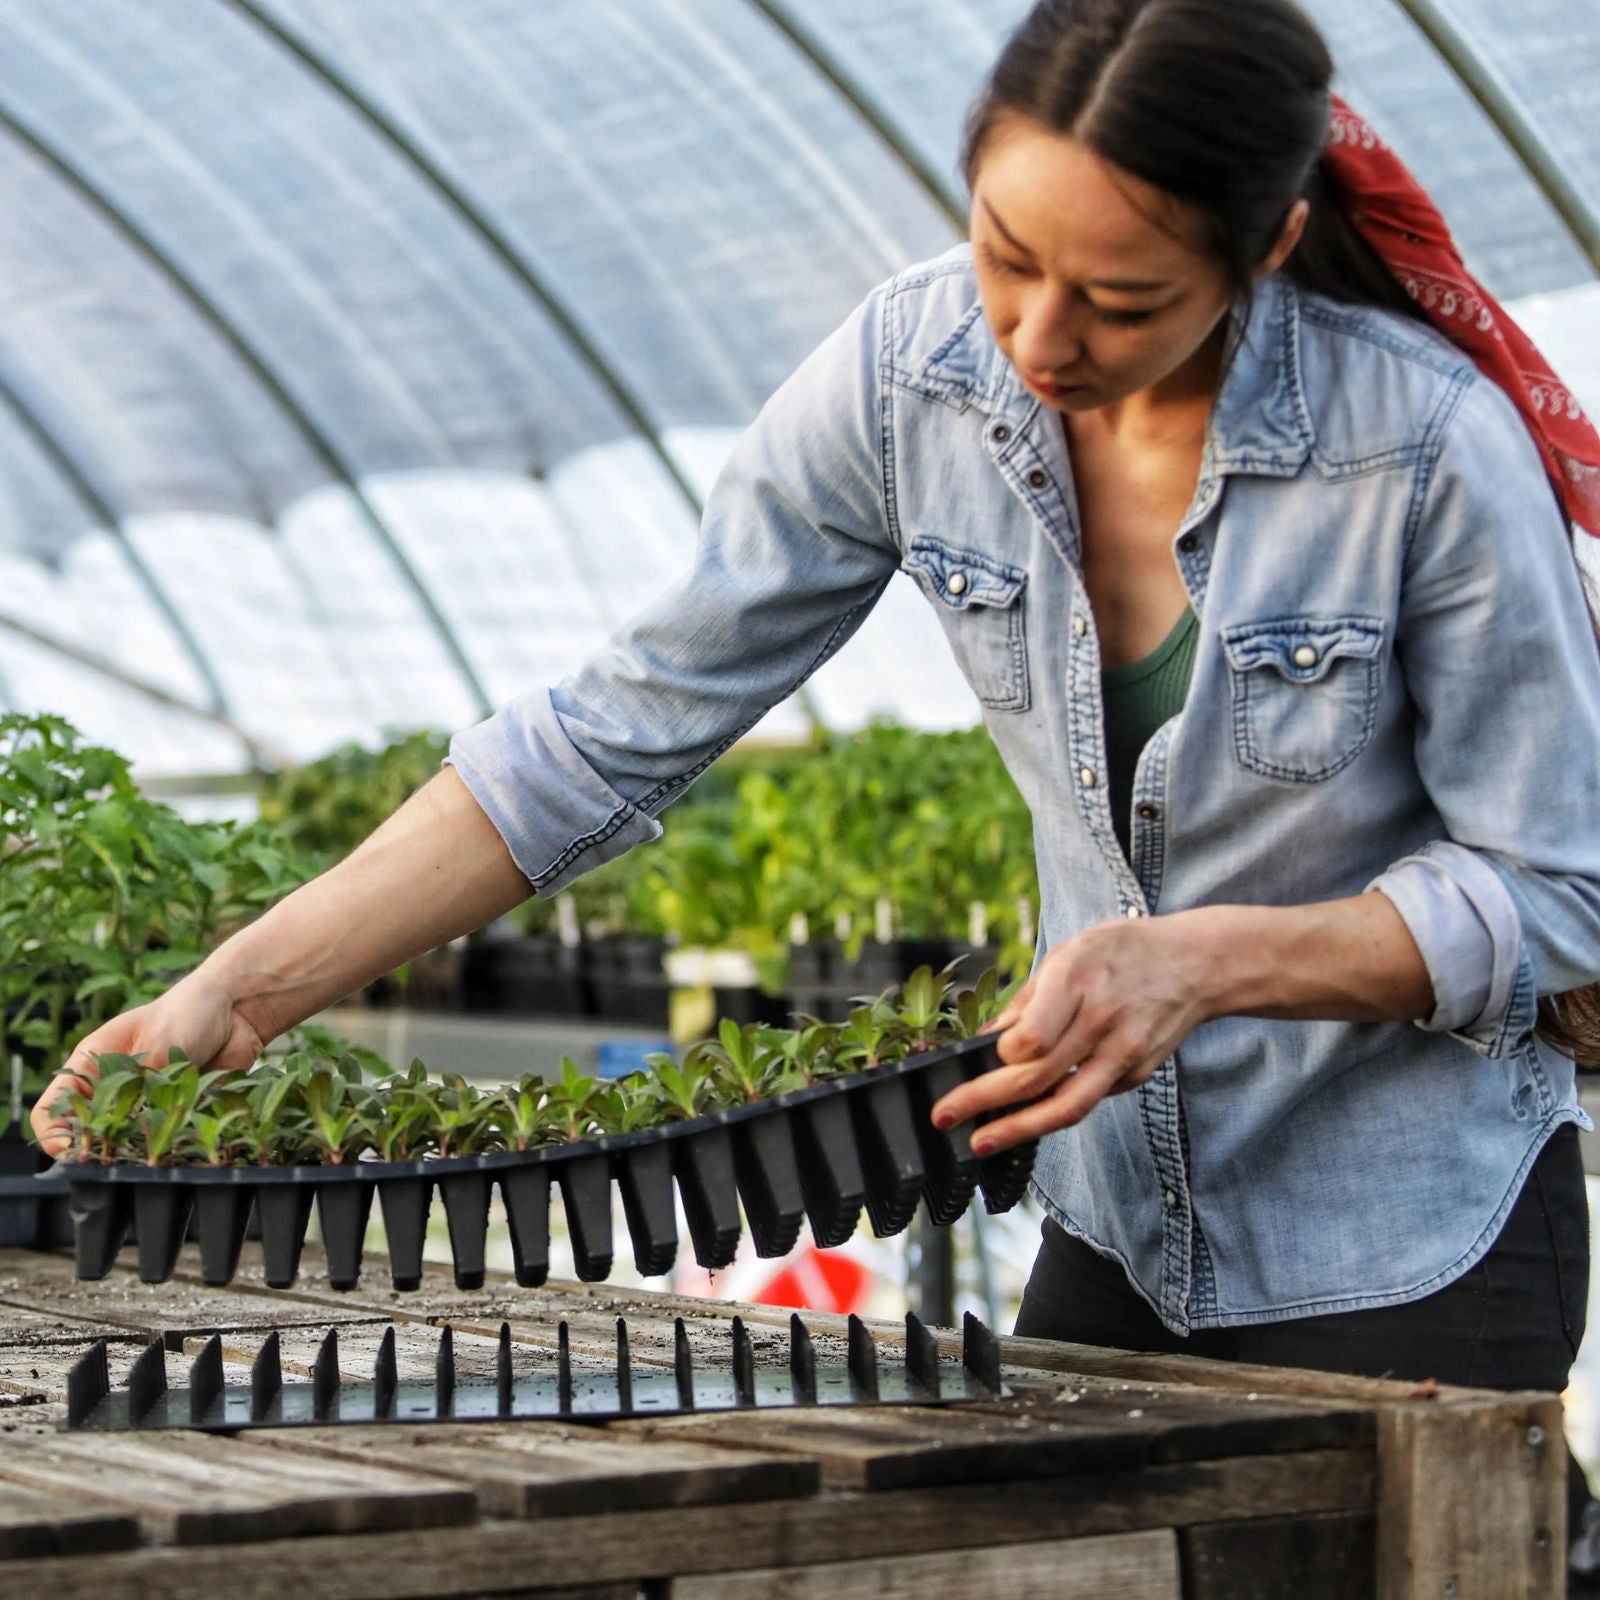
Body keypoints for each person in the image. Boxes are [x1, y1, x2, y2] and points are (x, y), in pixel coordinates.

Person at [33, 0, 1600, 1569]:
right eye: (1005, 254)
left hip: (1410, 1246)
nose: (1042, 340)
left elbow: (1564, 890)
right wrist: (237, 998)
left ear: (1267, 250)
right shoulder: (914, 378)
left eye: (1124, 301)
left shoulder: (1423, 451)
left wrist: (1205, 963)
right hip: (1122, 1226)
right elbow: (604, 732)